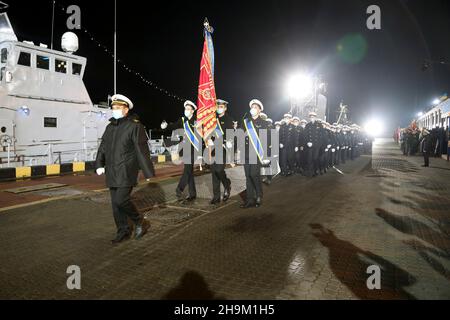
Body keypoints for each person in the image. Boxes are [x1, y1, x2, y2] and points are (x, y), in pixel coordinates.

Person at [95, 94, 155, 244]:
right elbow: (102, 148)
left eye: (118, 108)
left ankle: (140, 221)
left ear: (126, 109)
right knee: (115, 205)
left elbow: (141, 150)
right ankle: (123, 231)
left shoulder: (135, 126)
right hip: (112, 171)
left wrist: (148, 172)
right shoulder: (110, 127)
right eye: (113, 108)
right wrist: (98, 164)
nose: (114, 110)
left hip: (127, 170)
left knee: (121, 200)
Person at [161, 100, 201, 202]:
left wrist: (200, 128)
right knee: (189, 172)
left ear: (193, 111)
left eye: (188, 109)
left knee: (187, 170)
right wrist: (165, 126)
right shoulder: (183, 120)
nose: (186, 111)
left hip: (195, 149)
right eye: (185, 109)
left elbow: (203, 134)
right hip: (185, 149)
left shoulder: (198, 120)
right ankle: (192, 194)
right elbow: (173, 126)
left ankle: (179, 189)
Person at [241, 99, 269, 208]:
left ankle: (259, 195)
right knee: (248, 176)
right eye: (252, 107)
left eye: (255, 107)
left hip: (257, 153)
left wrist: (266, 155)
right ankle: (249, 199)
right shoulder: (246, 122)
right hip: (246, 152)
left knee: (254, 174)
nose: (253, 109)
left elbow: (267, 140)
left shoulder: (264, 123)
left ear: (259, 110)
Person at [209, 99, 234, 205]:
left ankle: (227, 184)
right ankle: (216, 197)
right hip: (212, 149)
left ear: (225, 108)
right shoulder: (212, 120)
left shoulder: (228, 120)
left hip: (222, 149)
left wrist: (229, 142)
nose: (219, 108)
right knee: (214, 173)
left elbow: (230, 135)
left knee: (219, 170)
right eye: (218, 106)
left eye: (221, 106)